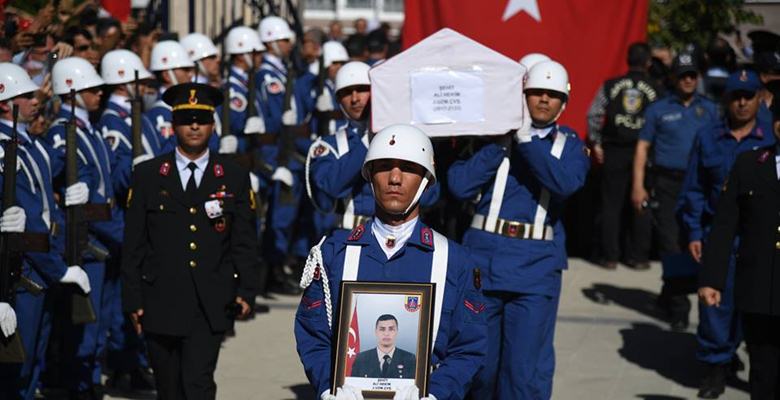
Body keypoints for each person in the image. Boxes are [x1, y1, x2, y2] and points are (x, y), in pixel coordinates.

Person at [296, 124, 487, 400]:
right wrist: (329, 388)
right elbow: (313, 336)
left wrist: (436, 394)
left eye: (408, 168)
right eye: (384, 167)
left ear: (425, 180)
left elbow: (469, 348)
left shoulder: (455, 261)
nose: (395, 178)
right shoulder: (333, 254)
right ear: (370, 177)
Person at [449, 60, 589, 399]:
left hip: (536, 266)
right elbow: (458, 185)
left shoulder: (568, 144)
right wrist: (500, 144)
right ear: (522, 94)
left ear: (564, 102)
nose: (543, 100)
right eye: (536, 92)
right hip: (484, 257)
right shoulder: (491, 139)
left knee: (523, 371)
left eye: (552, 95)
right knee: (479, 364)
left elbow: (566, 182)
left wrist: (526, 141)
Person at [121, 82, 259, 399]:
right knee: (168, 389)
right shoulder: (149, 174)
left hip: (210, 301)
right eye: (186, 119)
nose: (194, 126)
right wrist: (133, 299)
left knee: (198, 384)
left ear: (213, 124)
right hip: (161, 300)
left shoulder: (233, 174)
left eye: (201, 118)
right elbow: (134, 245)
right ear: (173, 125)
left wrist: (247, 289)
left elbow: (244, 240)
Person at [680, 69, 775, 399]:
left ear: (759, 99)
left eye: (749, 96)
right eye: (736, 96)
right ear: (727, 99)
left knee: (754, 304)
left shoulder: (768, 140)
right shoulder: (708, 136)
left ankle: (751, 360)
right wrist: (693, 231)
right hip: (717, 232)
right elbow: (693, 188)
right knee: (714, 306)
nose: (743, 103)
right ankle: (715, 367)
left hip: (757, 239)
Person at [0, 62, 89, 400]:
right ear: (4, 102)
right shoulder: (4, 148)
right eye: (25, 96)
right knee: (15, 367)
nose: (35, 101)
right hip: (25, 265)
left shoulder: (29, 142)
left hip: (42, 258)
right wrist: (58, 267)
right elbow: (26, 217)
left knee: (34, 356)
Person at [46, 56, 125, 399]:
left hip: (102, 235)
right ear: (71, 92)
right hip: (87, 237)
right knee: (85, 322)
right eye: (91, 89)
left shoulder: (86, 128)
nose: (99, 94)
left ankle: (89, 378)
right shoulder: (63, 133)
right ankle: (78, 382)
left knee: (101, 318)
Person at [630, 53, 718, 332]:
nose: (689, 79)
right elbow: (643, 148)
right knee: (671, 244)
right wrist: (638, 185)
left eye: (693, 74)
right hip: (667, 184)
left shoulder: (711, 109)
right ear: (673, 78)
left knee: (698, 245)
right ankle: (680, 307)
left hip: (701, 186)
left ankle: (671, 293)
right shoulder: (658, 109)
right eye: (683, 75)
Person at [307, 61, 439, 237]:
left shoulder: (406, 139)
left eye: (362, 89)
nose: (355, 99)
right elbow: (332, 186)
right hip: (348, 234)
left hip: (400, 236)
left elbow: (431, 195)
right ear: (338, 100)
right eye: (346, 93)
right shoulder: (328, 145)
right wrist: (369, 139)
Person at [98, 48, 160, 394]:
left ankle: (136, 360)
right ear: (124, 83)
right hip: (126, 216)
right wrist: (135, 166)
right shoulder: (112, 123)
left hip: (147, 215)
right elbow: (115, 178)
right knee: (126, 296)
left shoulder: (140, 118)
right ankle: (124, 364)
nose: (146, 87)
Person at [587, 42, 661, 270]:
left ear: (628, 60)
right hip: (644, 152)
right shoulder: (657, 88)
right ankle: (638, 257)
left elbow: (593, 114)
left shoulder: (611, 85)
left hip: (615, 150)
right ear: (648, 62)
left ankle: (610, 256)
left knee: (611, 204)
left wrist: (596, 143)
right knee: (641, 203)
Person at [350, 314, 417, 379]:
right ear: (376, 332)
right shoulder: (361, 359)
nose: (386, 333)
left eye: (391, 329)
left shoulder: (409, 359)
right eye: (382, 329)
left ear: (397, 331)